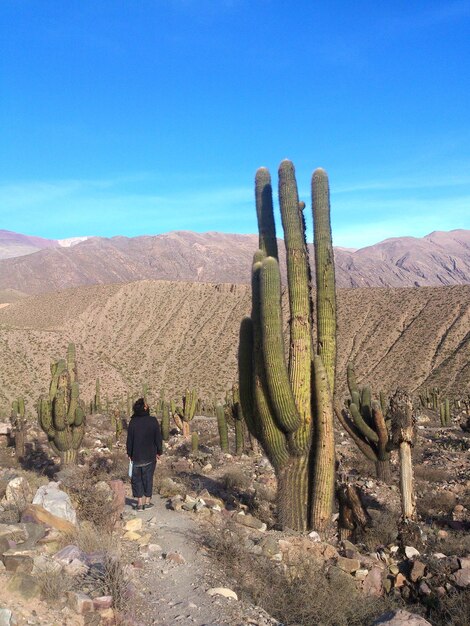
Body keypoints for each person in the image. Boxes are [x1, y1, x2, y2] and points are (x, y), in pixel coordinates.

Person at [126, 398, 163, 511]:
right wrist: (159, 452)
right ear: (145, 408)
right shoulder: (153, 421)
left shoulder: (133, 422)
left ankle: (139, 503)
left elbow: (129, 440)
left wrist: (129, 453)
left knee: (136, 480)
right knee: (148, 478)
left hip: (136, 456)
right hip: (149, 456)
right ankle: (147, 502)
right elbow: (158, 438)